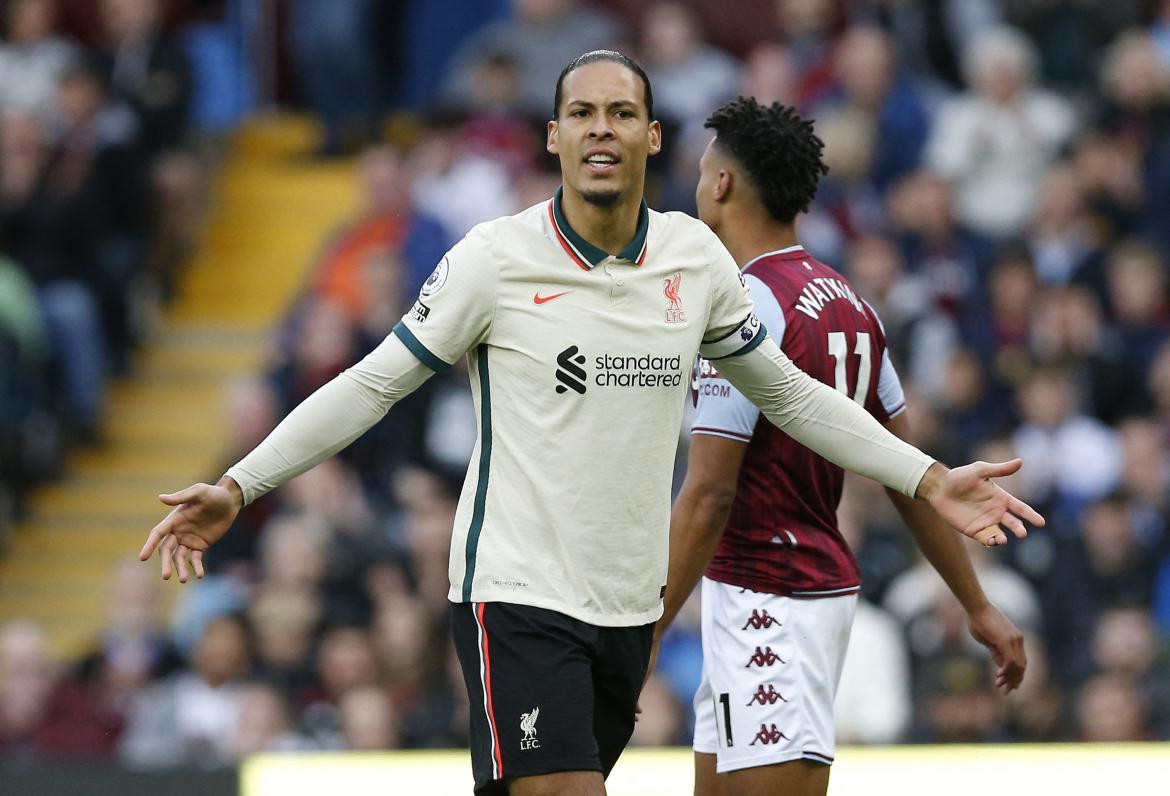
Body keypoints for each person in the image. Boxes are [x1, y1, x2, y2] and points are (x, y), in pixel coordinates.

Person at [139, 52, 1043, 796]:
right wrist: (239, 483)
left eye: (620, 113)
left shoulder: (692, 260)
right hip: (518, 594)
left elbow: (793, 397)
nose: (600, 129)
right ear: (555, 136)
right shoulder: (494, 260)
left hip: (624, 609)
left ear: (653, 136)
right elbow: (373, 383)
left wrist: (925, 476)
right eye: (581, 113)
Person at [654, 97, 1030, 796]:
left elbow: (710, 490)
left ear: (724, 184)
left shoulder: (745, 304)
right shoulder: (850, 301)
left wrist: (645, 633)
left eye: (705, 169)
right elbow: (910, 475)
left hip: (771, 594)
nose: (698, 182)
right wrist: (976, 603)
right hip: (784, 592)